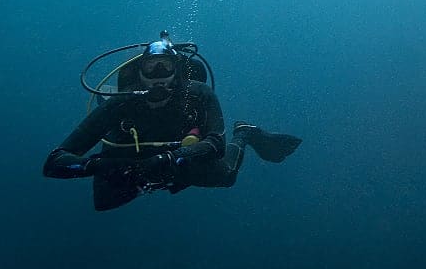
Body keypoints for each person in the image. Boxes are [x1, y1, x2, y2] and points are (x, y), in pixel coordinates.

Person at [43, 33, 301, 211]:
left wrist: (170, 159)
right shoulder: (121, 103)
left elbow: (215, 144)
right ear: (139, 73)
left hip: (179, 159)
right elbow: (55, 162)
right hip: (126, 165)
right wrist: (104, 166)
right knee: (104, 203)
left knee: (227, 176)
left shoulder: (197, 94)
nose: (158, 77)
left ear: (177, 71)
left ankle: (243, 133)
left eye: (165, 68)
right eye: (151, 69)